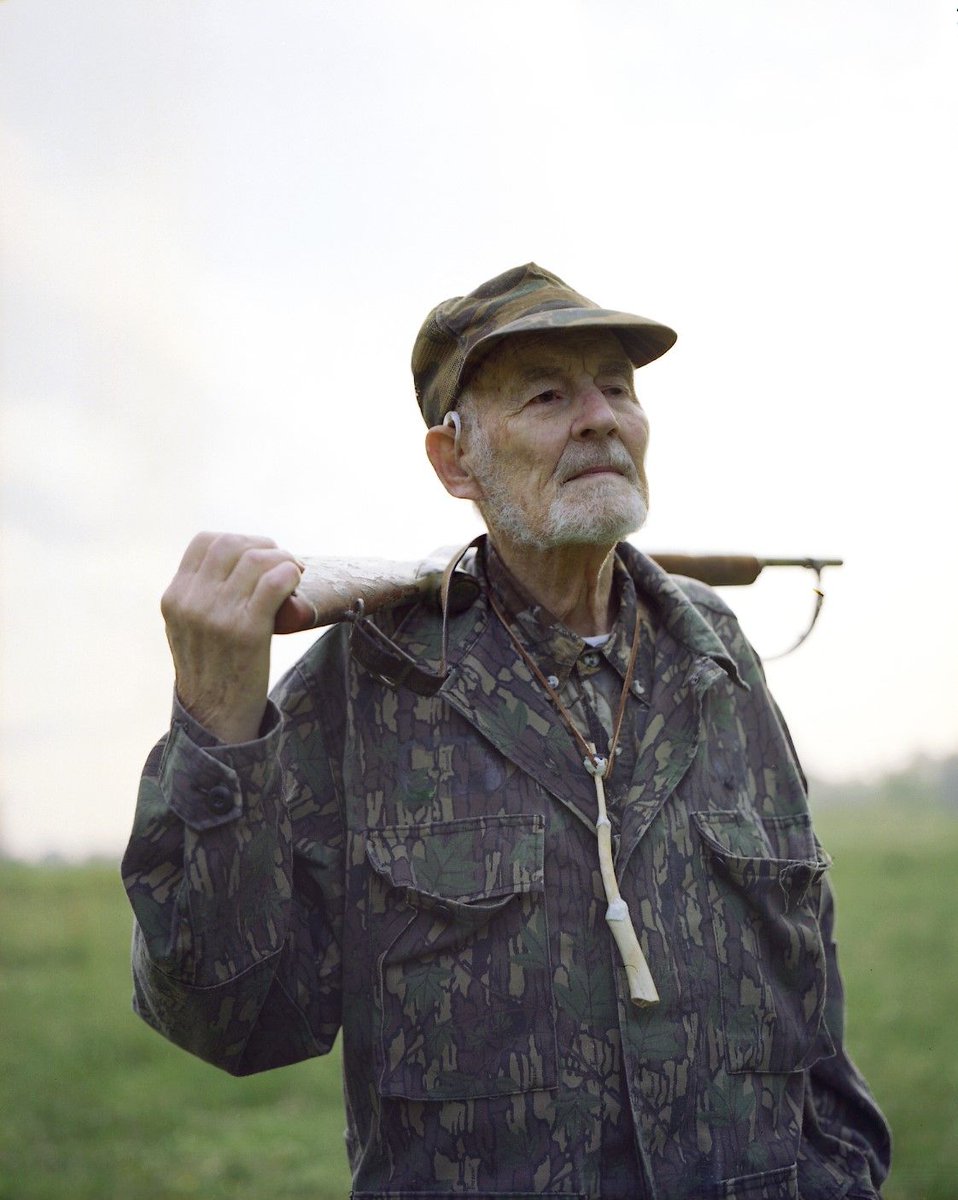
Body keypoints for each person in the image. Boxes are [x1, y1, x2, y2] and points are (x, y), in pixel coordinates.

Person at [122, 263, 891, 1199]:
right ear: (456, 461)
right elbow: (230, 1018)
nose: (600, 416)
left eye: (617, 387)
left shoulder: (716, 659)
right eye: (546, 395)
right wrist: (214, 728)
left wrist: (843, 1175)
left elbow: (808, 996)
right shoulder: (373, 682)